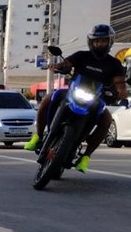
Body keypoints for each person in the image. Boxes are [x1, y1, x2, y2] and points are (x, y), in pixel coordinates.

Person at [24, 24, 128, 173]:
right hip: (73, 93)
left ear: (110, 42)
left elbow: (119, 82)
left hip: (95, 99)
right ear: (91, 42)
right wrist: (59, 66)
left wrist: (121, 91)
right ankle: (38, 137)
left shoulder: (114, 64)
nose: (99, 44)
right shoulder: (81, 55)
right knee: (48, 99)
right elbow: (67, 63)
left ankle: (85, 157)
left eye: (103, 41)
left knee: (106, 120)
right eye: (96, 41)